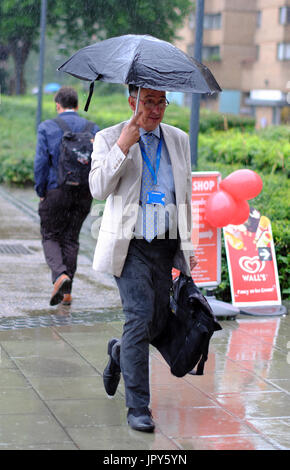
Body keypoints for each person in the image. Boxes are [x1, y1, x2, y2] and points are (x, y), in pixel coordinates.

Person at [89, 85, 197, 432]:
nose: (156, 110)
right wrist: (124, 145)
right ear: (132, 102)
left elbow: (186, 195)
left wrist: (187, 252)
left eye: (161, 102)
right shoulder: (109, 138)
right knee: (138, 319)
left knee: (156, 322)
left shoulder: (178, 139)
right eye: (148, 102)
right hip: (131, 243)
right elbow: (98, 187)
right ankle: (138, 406)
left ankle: (121, 353)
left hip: (165, 243)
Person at [34, 86, 100, 306]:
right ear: (77, 106)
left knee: (51, 235)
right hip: (83, 193)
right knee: (71, 238)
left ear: (57, 105)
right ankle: (67, 291)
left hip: (56, 190)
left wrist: (41, 191)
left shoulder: (47, 127)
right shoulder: (92, 128)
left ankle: (60, 274)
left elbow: (41, 163)